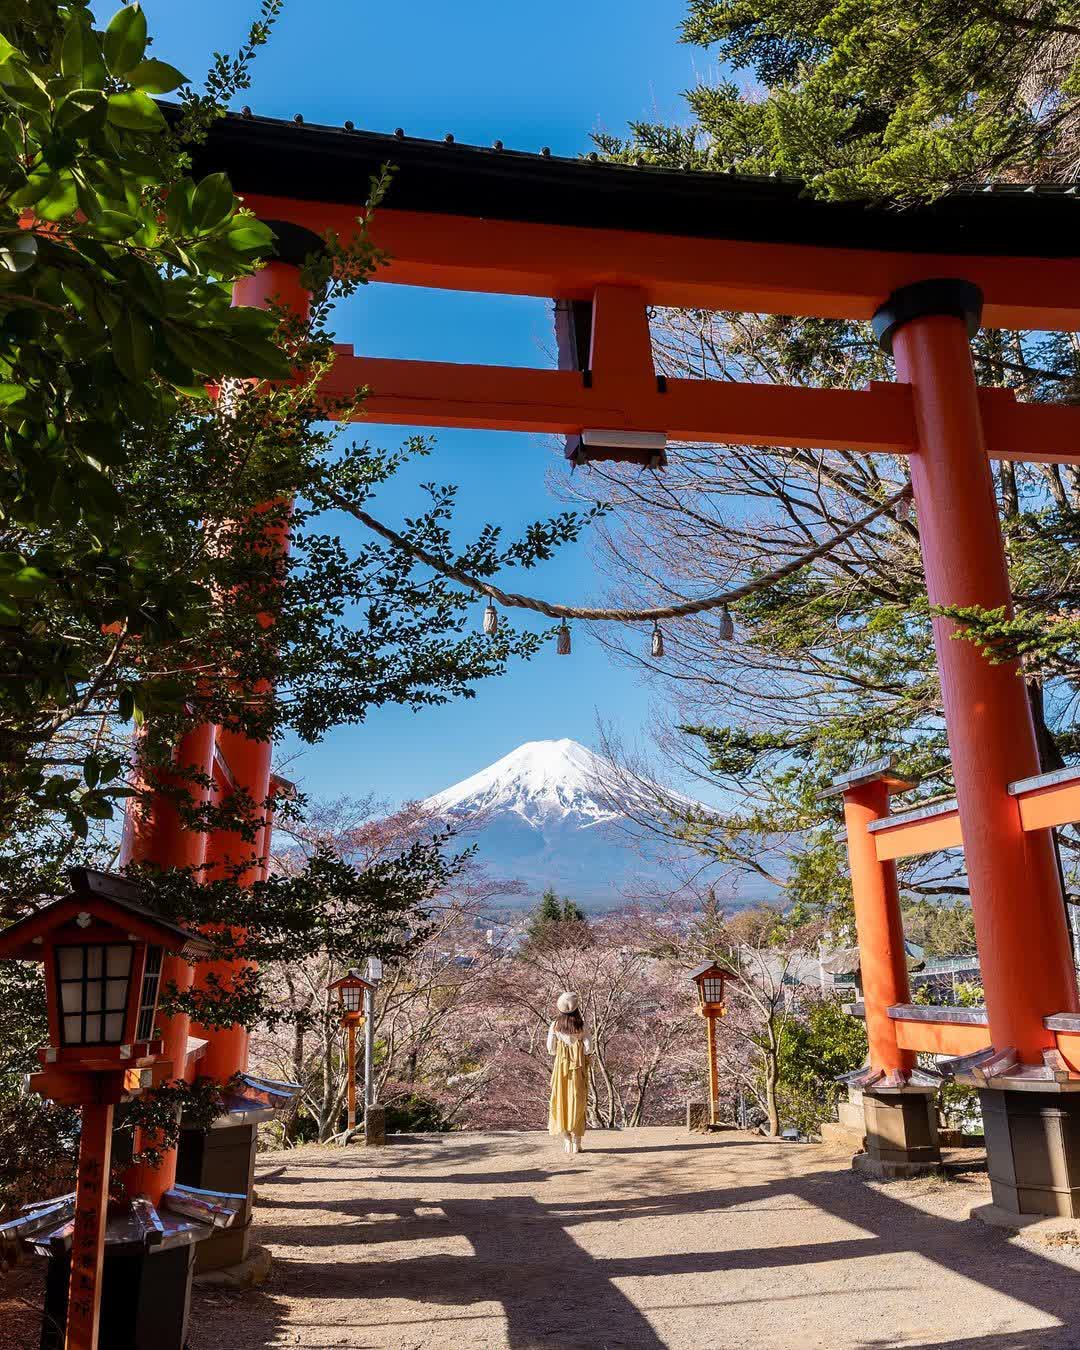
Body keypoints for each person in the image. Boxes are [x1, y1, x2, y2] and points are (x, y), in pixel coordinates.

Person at [547, 991, 590, 1154]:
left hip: (561, 1068)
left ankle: (567, 1141)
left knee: (561, 1100)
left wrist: (562, 1049)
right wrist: (577, 1048)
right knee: (578, 1100)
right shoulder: (582, 1025)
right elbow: (589, 1048)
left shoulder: (555, 1025)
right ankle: (577, 1142)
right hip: (577, 1068)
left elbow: (550, 1048)